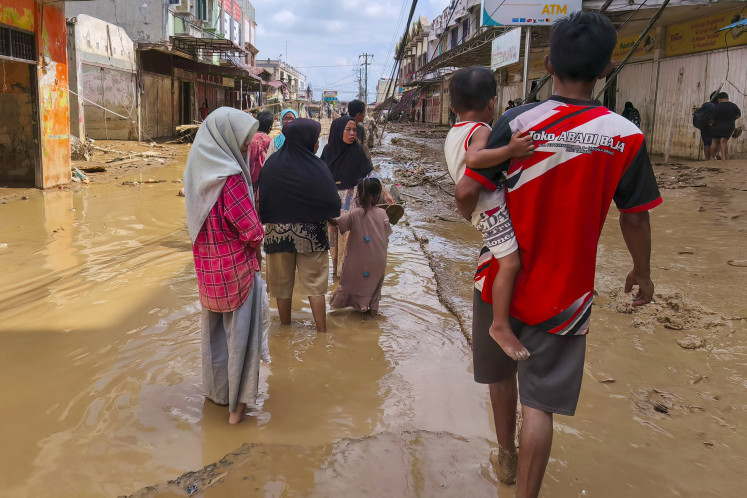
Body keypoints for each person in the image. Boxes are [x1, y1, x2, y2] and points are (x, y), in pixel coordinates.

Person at [458, 12, 661, 496]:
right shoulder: (626, 136)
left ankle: (505, 459)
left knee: (502, 376)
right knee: (541, 406)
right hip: (566, 292)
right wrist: (642, 272)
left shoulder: (517, 121)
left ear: (547, 63)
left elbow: (470, 191)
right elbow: (634, 216)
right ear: (607, 68)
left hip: (497, 277)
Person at [445, 65, 535, 361]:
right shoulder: (481, 130)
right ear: (493, 103)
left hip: (479, 207)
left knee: (504, 260)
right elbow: (475, 159)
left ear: (452, 106)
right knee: (510, 263)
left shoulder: (454, 133)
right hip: (488, 207)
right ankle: (499, 325)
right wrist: (511, 149)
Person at [183, 107, 266, 424]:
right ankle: (237, 411)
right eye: (243, 141)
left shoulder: (196, 172)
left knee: (214, 338)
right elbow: (250, 231)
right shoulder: (230, 178)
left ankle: (217, 397)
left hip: (208, 272)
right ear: (226, 138)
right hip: (237, 273)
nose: (246, 147)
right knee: (241, 342)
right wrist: (260, 236)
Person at [259, 119, 341, 333]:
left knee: (281, 287)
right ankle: (322, 332)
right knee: (316, 286)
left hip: (278, 236)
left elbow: (262, 199)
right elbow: (333, 204)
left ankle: (285, 330)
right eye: (315, 140)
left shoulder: (272, 164)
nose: (316, 145)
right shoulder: (318, 167)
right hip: (312, 236)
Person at [322, 116, 393, 277]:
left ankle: (345, 280)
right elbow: (319, 176)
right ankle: (336, 278)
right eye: (348, 130)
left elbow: (371, 174)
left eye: (354, 130)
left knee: (348, 243)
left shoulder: (357, 151)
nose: (352, 133)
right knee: (333, 245)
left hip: (351, 203)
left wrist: (386, 193)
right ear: (339, 131)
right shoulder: (328, 151)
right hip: (331, 205)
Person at [329, 178, 392, 317]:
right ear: (377, 197)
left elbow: (336, 223)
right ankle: (372, 316)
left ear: (359, 195)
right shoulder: (383, 214)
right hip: (378, 260)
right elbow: (387, 235)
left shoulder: (355, 213)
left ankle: (346, 307)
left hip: (358, 260)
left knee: (350, 282)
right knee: (375, 287)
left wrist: (325, 212)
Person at [248, 111, 274, 201]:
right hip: (264, 185)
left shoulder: (249, 140)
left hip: (248, 183)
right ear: (270, 128)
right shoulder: (271, 142)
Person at [710, 92, 741, 161]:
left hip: (717, 127)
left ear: (719, 99)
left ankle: (712, 158)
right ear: (727, 98)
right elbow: (738, 115)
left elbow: (712, 119)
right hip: (729, 126)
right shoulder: (733, 106)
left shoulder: (717, 106)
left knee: (715, 142)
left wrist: (711, 124)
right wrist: (732, 118)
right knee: (724, 141)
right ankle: (724, 158)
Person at [693, 92, 718, 160]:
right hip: (711, 126)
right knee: (714, 142)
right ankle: (712, 158)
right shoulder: (716, 106)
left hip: (703, 126)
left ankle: (707, 159)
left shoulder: (706, 105)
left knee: (706, 143)